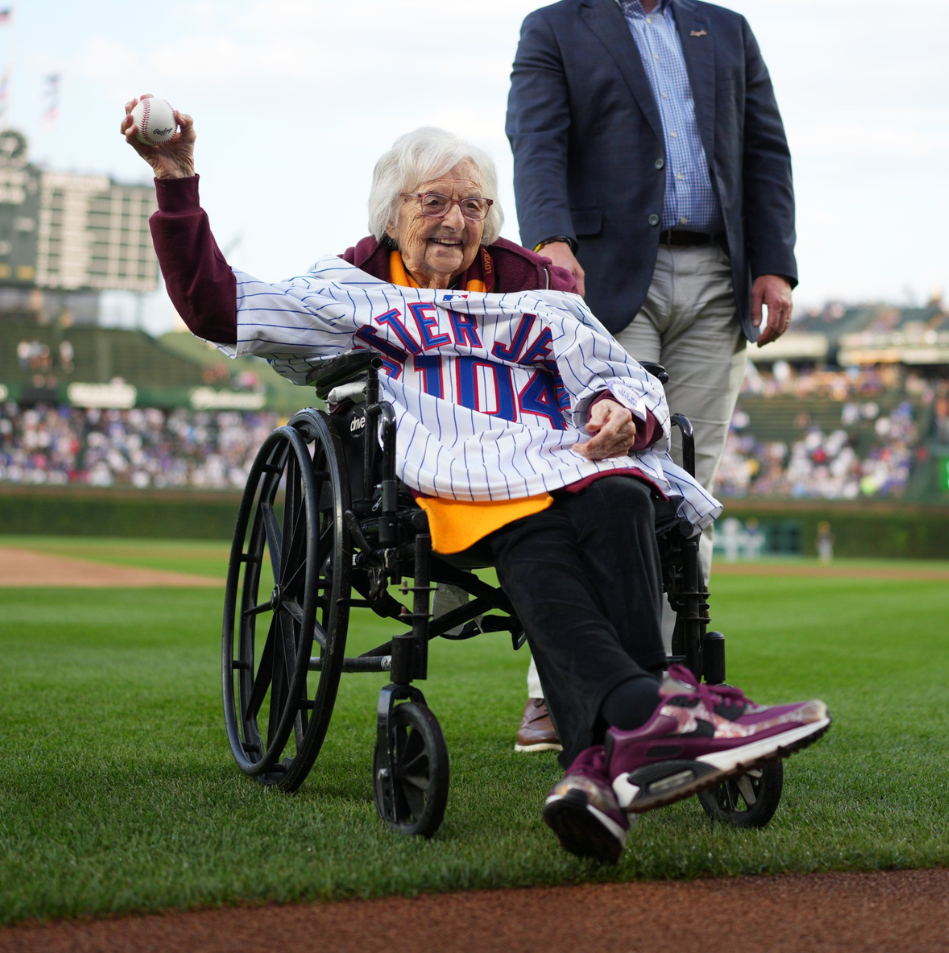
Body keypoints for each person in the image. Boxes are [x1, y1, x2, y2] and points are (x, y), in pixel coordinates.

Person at [124, 101, 829, 864]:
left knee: (627, 492)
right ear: (392, 215)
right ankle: (655, 711)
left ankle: (597, 767)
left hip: (566, 459)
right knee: (532, 532)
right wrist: (176, 180)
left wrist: (621, 413)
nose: (454, 220)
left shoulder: (541, 298)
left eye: (473, 204)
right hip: (456, 474)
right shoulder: (351, 294)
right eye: (433, 201)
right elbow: (217, 304)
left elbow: (622, 376)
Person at [503, 0, 799, 750]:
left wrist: (774, 265)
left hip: (716, 283)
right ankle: (559, 694)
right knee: (611, 483)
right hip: (605, 285)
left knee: (691, 493)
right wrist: (549, 241)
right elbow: (536, 142)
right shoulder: (554, 30)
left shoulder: (727, 32)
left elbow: (765, 154)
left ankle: (673, 689)